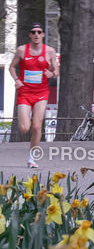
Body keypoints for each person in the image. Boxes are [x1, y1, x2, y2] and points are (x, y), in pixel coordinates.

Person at [9, 22, 58, 168]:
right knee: (24, 128)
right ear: (30, 35)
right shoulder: (22, 50)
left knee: (37, 126)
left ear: (43, 34)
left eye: (39, 32)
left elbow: (57, 71)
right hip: (25, 92)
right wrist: (17, 80)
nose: (36, 34)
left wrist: (52, 73)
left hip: (42, 92)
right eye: (33, 32)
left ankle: (32, 158)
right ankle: (27, 123)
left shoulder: (49, 51)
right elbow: (12, 67)